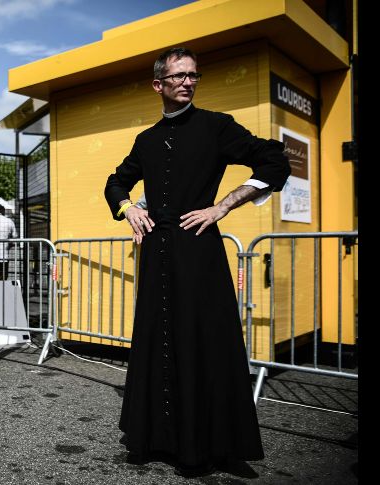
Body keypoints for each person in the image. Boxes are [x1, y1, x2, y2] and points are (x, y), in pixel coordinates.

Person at [103, 47, 290, 476]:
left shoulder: (216, 127)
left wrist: (222, 206)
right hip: (156, 253)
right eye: (179, 76)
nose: (188, 82)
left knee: (202, 340)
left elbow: (273, 159)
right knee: (158, 339)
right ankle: (158, 439)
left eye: (193, 76)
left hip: (198, 250)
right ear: (159, 85)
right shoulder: (146, 139)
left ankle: (208, 444)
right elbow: (116, 180)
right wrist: (129, 208)